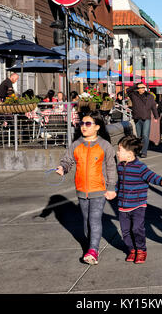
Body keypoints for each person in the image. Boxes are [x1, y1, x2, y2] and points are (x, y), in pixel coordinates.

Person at [56, 111, 117, 265]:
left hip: (99, 189)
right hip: (82, 190)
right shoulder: (76, 144)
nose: (83, 126)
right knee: (86, 221)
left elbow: (111, 167)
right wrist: (63, 168)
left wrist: (111, 187)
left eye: (88, 123)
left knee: (95, 219)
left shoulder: (105, 145)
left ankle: (93, 250)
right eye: (82, 123)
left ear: (97, 127)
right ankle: (91, 245)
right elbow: (67, 160)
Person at [116, 135, 162, 264]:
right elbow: (118, 183)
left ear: (129, 154)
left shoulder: (140, 167)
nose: (117, 152)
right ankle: (132, 249)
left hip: (138, 205)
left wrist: (161, 181)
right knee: (125, 231)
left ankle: (141, 250)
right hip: (122, 205)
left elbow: (151, 176)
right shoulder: (120, 167)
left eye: (119, 150)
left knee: (137, 229)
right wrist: (112, 191)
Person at [126, 83, 159, 158]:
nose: (143, 89)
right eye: (141, 88)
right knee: (139, 136)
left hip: (146, 118)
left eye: (144, 87)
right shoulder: (134, 95)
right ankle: (139, 150)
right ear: (138, 89)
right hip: (137, 118)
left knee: (145, 135)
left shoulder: (149, 96)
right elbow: (128, 90)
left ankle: (144, 152)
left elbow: (153, 107)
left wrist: (156, 116)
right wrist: (136, 85)